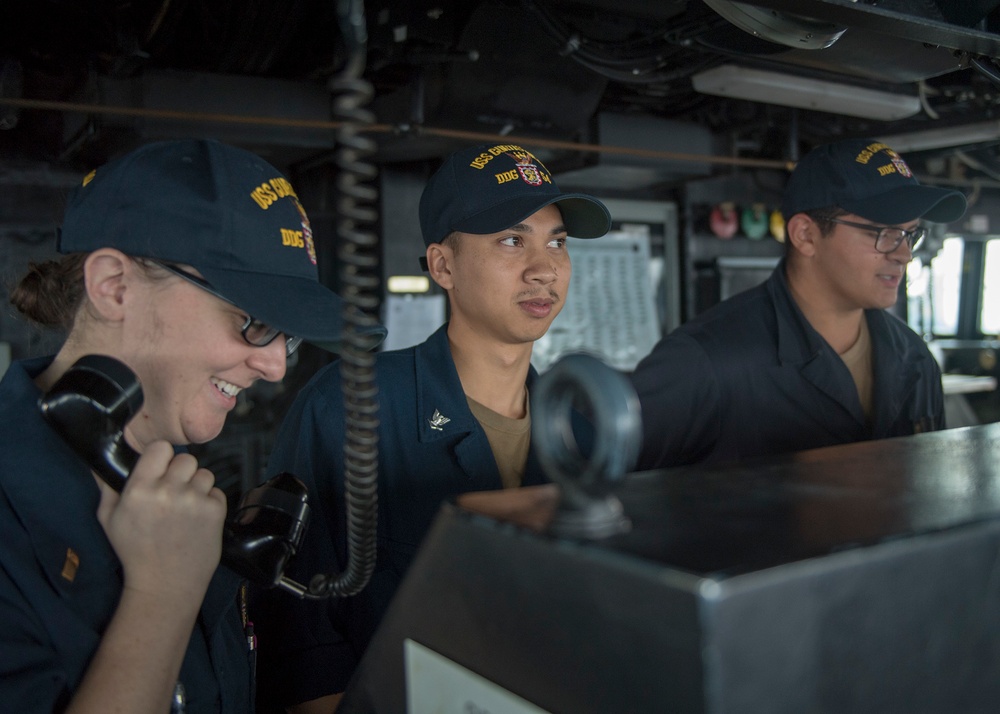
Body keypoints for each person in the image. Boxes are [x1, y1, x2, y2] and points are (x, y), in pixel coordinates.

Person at [0, 138, 379, 713]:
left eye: (288, 335)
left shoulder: (177, 490)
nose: (275, 365)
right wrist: (160, 597)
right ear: (114, 287)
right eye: (251, 320)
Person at [252, 142, 611, 713]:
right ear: (444, 265)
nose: (545, 268)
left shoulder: (581, 433)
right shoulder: (352, 408)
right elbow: (300, 645)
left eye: (558, 243)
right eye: (512, 240)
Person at [630, 138, 968, 470]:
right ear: (805, 234)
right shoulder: (705, 363)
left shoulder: (915, 359)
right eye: (883, 232)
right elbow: (604, 494)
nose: (904, 254)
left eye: (910, 234)